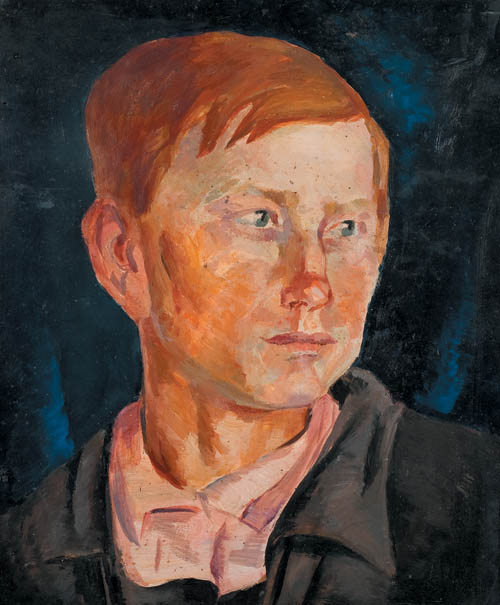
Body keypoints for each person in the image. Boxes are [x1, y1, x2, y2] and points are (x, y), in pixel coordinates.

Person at [2, 31, 499, 605]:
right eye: (259, 219)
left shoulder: (475, 505)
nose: (313, 285)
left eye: (346, 228)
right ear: (123, 255)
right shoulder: (24, 556)